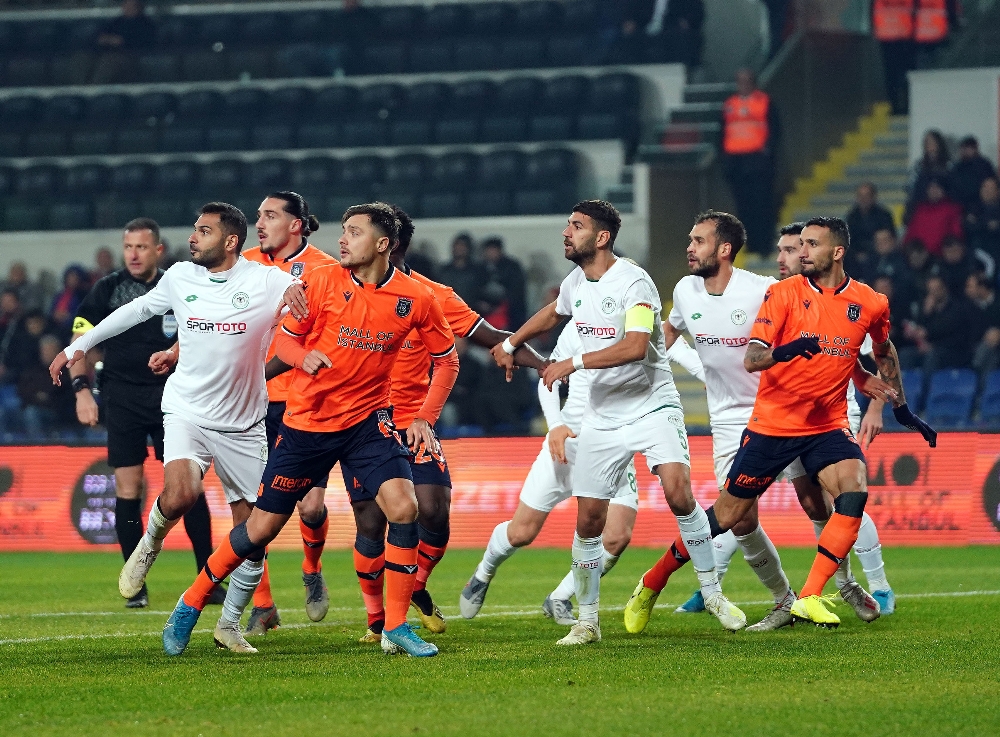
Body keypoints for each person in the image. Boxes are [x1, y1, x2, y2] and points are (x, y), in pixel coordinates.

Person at [162, 202, 459, 659]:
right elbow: (285, 339)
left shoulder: (417, 299)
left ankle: (395, 626)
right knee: (261, 528)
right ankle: (191, 601)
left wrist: (424, 417)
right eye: (342, 230)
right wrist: (304, 359)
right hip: (308, 424)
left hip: (368, 423)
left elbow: (447, 358)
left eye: (354, 232)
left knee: (404, 508)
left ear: (382, 245)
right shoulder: (319, 282)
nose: (342, 239)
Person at [625, 217, 935, 628]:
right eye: (796, 246)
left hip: (824, 422)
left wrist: (900, 408)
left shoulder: (869, 301)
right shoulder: (779, 293)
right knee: (729, 517)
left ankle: (816, 593)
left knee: (851, 488)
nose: (799, 253)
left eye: (808, 245)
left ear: (837, 252)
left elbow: (874, 350)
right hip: (769, 421)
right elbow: (752, 358)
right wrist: (790, 349)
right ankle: (654, 580)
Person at [49, 202, 306, 654]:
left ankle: (229, 625)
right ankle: (149, 544)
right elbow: (134, 312)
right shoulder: (181, 276)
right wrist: (79, 348)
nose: (193, 237)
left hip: (244, 423)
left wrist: (299, 293)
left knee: (256, 532)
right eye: (194, 228)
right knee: (181, 495)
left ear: (230, 242)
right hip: (186, 409)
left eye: (203, 231)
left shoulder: (265, 281)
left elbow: (308, 290)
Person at [490, 200, 744, 645]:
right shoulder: (576, 281)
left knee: (679, 493)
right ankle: (587, 621)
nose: (566, 233)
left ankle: (713, 593)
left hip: (651, 403)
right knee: (589, 520)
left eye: (577, 226)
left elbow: (634, 346)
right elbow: (553, 312)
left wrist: (573, 362)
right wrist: (511, 343)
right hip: (604, 415)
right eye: (568, 224)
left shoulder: (636, 282)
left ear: (602, 237)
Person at [346, 205, 545, 642]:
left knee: (434, 511)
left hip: (415, 422)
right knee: (370, 524)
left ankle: (414, 587)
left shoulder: (431, 294)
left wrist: (542, 363)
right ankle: (377, 619)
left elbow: (491, 337)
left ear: (391, 243)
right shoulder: (341, 288)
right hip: (361, 423)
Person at [461, 317, 702, 626]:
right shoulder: (582, 323)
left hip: (613, 446)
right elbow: (548, 377)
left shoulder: (643, 327)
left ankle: (559, 597)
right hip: (569, 446)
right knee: (522, 532)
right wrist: (556, 426)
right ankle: (484, 572)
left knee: (616, 537)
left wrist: (716, 378)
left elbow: (682, 351)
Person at [630, 212, 799, 632]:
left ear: (724, 249)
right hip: (726, 419)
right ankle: (786, 601)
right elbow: (666, 335)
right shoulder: (686, 290)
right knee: (741, 520)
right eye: (690, 239)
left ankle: (852, 584)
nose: (689, 246)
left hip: (779, 411)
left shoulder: (763, 291)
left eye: (699, 240)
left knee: (819, 503)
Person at [68, 218, 218, 608]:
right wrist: (82, 391)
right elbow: (79, 342)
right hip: (122, 400)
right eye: (128, 246)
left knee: (187, 489)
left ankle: (208, 578)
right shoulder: (107, 289)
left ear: (158, 250)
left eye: (141, 246)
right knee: (128, 490)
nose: (133, 254)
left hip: (175, 398)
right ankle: (136, 584)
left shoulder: (178, 284)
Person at [240, 192, 337, 636]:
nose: (260, 223)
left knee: (311, 506)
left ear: (296, 224)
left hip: (303, 399)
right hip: (251, 402)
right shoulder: (244, 261)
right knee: (254, 507)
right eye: (258, 216)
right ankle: (263, 605)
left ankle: (311, 568)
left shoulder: (323, 269)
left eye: (270, 216)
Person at [721, 69, 780, 256]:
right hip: (737, 164)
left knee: (762, 204)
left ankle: (765, 245)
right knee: (743, 207)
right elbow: (722, 132)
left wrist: (767, 153)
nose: (743, 85)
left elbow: (775, 130)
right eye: (740, 81)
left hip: (757, 162)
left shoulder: (764, 102)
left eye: (747, 81)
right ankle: (751, 244)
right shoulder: (730, 104)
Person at [874, 1, 955, 115]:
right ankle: (906, 105)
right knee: (907, 74)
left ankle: (897, 106)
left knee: (894, 75)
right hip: (906, 36)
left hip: (889, 38)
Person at [620, 0, 705, 67]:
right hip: (643, 33)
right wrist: (629, 22)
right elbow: (630, 13)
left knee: (679, 40)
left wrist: (687, 22)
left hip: (672, 34)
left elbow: (696, 13)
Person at [92, 0, 158, 84]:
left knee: (109, 61)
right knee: (81, 59)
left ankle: (96, 91)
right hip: (106, 53)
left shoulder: (146, 24)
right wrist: (106, 40)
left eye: (132, 5)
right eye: (126, 4)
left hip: (130, 57)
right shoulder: (116, 22)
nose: (128, 7)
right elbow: (99, 37)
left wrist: (122, 41)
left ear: (139, 7)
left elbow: (145, 43)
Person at [904, 177, 963, 256]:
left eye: (937, 188)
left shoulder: (952, 210)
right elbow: (911, 233)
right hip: (919, 256)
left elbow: (956, 234)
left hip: (942, 257)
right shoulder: (920, 209)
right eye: (931, 188)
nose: (933, 191)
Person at [845, 182, 897, 267]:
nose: (863, 199)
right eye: (860, 196)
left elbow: (890, 237)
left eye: (867, 196)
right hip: (855, 256)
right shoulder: (852, 216)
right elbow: (848, 238)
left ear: (873, 197)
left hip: (878, 254)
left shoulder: (884, 215)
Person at [481, 237, 527, 330]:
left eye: (493, 250)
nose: (490, 253)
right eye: (488, 250)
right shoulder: (479, 268)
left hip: (510, 312)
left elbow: (516, 291)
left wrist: (501, 306)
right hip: (484, 312)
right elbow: (475, 290)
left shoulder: (512, 267)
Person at [905, 130, 951, 223]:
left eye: (932, 142)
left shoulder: (949, 165)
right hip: (922, 205)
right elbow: (911, 186)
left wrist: (941, 192)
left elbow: (953, 185)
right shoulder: (918, 165)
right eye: (927, 142)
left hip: (944, 205)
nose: (930, 145)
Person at [951, 136, 998, 212]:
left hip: (982, 205)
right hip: (961, 205)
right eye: (963, 148)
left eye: (968, 148)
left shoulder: (984, 165)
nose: (965, 151)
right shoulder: (957, 167)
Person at [437, 233, 480, 307]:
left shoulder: (478, 271)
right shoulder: (444, 270)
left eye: (463, 246)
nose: (459, 248)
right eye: (457, 245)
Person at [49, 265, 91, 342]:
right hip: (56, 327)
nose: (72, 280)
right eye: (70, 277)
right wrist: (55, 315)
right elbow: (52, 310)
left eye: (75, 277)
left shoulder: (84, 295)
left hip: (73, 329)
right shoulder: (60, 295)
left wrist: (68, 317)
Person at [966, 177, 1000, 259]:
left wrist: (979, 222)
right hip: (977, 252)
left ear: (998, 191)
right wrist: (987, 225)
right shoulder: (973, 207)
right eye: (984, 187)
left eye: (990, 188)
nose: (986, 191)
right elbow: (968, 226)